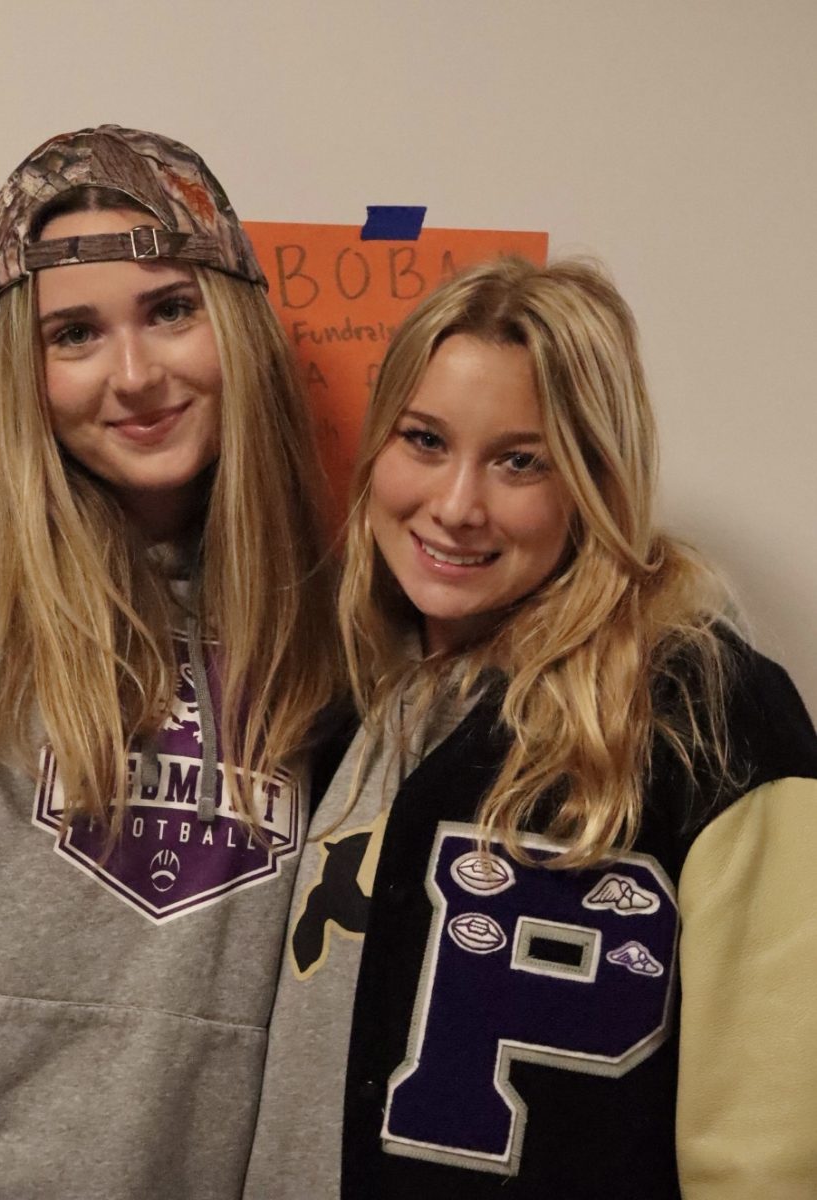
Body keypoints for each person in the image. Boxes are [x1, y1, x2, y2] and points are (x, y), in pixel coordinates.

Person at [244, 256, 817, 1199]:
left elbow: (772, 1156)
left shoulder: (716, 718)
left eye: (520, 461)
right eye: (424, 440)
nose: (458, 506)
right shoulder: (342, 702)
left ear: (595, 478)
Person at [0, 124, 339, 1198]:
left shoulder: (327, 622)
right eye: (73, 334)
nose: (133, 377)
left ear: (232, 318)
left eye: (171, 310)